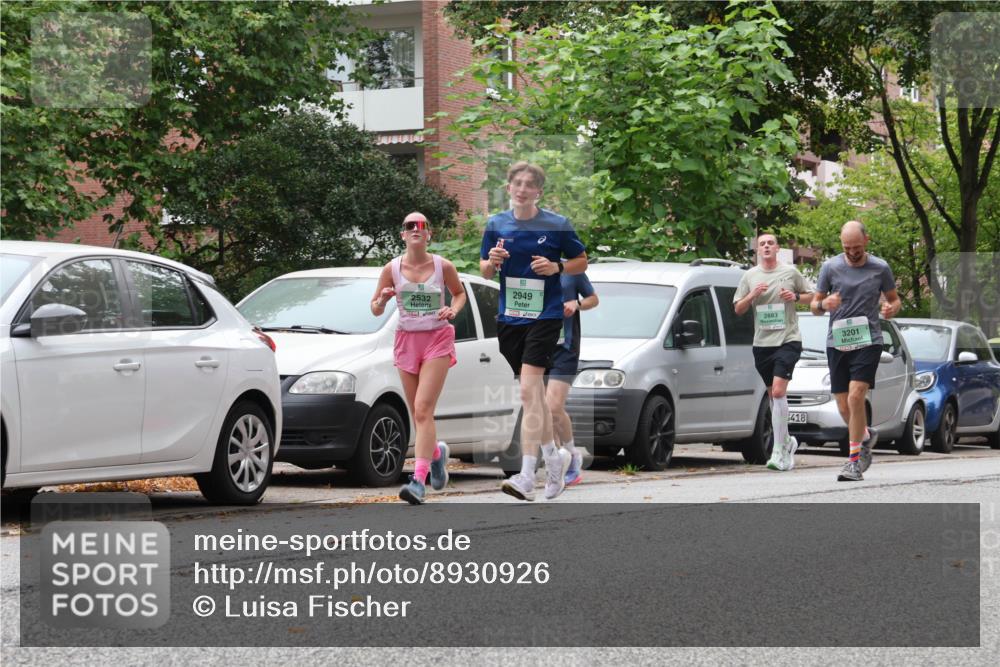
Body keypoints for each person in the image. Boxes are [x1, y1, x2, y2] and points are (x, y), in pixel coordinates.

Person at [480, 162, 588, 501]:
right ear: (509, 187)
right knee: (535, 398)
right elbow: (484, 270)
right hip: (510, 318)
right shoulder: (496, 223)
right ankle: (554, 459)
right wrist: (493, 261)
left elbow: (581, 261)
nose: (523, 189)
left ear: (538, 191)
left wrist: (556, 266)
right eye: (518, 183)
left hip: (545, 317)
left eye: (530, 185)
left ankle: (527, 475)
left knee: (528, 394)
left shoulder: (556, 224)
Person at [371, 212, 466, 504]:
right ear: (403, 234)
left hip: (437, 339)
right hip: (406, 342)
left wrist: (453, 309)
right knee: (418, 413)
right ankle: (436, 455)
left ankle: (417, 482)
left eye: (421, 226)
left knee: (424, 409)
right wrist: (384, 299)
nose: (415, 229)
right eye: (409, 225)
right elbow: (374, 308)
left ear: (429, 234)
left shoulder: (442, 266)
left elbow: (459, 294)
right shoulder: (391, 269)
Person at [811, 221, 901, 482]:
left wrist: (891, 308)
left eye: (857, 247)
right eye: (846, 247)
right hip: (837, 341)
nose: (852, 252)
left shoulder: (880, 268)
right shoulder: (830, 267)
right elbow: (814, 306)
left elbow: (894, 299)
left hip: (868, 339)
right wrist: (823, 304)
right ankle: (865, 435)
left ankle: (853, 462)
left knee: (855, 396)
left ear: (867, 241)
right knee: (842, 404)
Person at [734, 234, 813, 471]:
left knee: (778, 392)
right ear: (758, 250)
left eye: (770, 243)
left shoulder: (790, 272)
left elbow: (812, 297)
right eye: (762, 244)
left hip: (788, 339)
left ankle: (778, 449)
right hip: (762, 343)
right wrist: (752, 295)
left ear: (777, 248)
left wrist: (796, 297)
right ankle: (788, 442)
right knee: (772, 396)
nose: (766, 246)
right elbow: (738, 308)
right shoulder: (750, 276)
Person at [546, 271, 599, 487]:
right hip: (537, 345)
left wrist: (576, 304)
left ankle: (572, 454)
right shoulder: (529, 268)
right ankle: (557, 463)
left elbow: (593, 299)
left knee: (553, 405)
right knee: (542, 409)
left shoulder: (572, 270)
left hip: (564, 348)